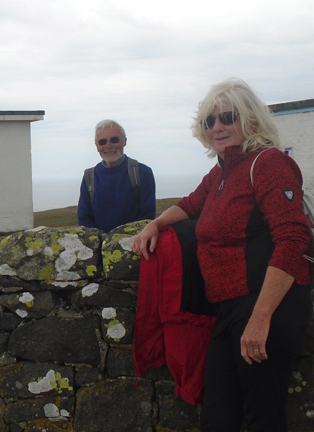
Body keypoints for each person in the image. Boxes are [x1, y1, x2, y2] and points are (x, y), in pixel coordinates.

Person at [131, 78, 312, 431]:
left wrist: (261, 319)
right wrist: (154, 225)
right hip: (228, 308)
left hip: (268, 305)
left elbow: (293, 241)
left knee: (262, 416)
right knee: (217, 416)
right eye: (209, 121)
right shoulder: (222, 171)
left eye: (228, 117)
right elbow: (190, 205)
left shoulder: (269, 164)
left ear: (252, 120)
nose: (217, 127)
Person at [77, 119, 156, 231]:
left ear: (125, 141)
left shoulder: (142, 173)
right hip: (99, 246)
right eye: (102, 142)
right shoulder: (89, 177)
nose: (108, 146)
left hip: (133, 245)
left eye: (114, 140)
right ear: (96, 146)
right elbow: (84, 219)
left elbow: (147, 218)